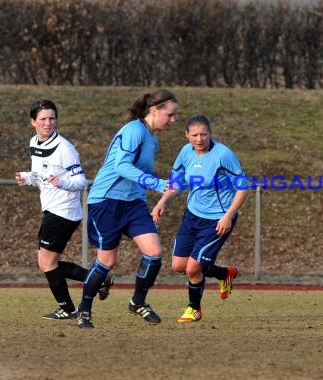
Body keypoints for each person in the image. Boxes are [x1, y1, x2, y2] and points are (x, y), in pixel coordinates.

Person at [75, 89, 179, 329]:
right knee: (107, 262)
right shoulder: (134, 130)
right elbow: (122, 166)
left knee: (154, 253)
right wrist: (156, 183)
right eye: (170, 114)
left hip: (133, 203)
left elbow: (136, 173)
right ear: (154, 110)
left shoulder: (152, 137)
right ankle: (84, 310)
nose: (173, 120)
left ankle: (137, 302)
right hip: (106, 201)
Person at [15, 99, 113, 320]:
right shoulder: (34, 143)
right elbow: (40, 174)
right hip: (51, 209)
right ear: (33, 122)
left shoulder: (65, 148)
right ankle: (98, 280)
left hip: (64, 212)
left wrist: (64, 183)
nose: (48, 123)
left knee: (46, 262)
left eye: (52, 118)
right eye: (43, 119)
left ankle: (67, 308)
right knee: (49, 262)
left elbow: (81, 181)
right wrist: (27, 177)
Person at [151, 114, 249, 323]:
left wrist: (228, 216)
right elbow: (176, 182)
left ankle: (194, 309)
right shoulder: (186, 153)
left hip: (217, 219)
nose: (199, 139)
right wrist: (162, 202)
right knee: (179, 266)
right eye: (194, 135)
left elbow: (243, 188)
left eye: (203, 134)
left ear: (210, 133)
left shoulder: (223, 155)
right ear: (187, 135)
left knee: (193, 269)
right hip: (192, 216)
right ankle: (224, 273)